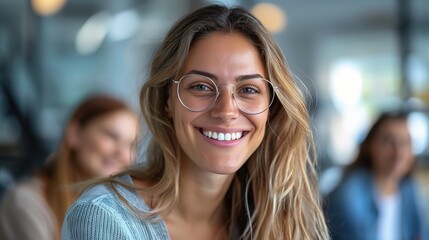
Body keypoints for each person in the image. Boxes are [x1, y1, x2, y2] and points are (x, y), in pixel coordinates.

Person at [62, 4, 330, 240]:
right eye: (201, 86)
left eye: (249, 89)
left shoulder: (281, 217)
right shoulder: (105, 219)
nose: (226, 110)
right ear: (167, 100)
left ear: (272, 107)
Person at [0, 95, 139, 240]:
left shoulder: (124, 210)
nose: (122, 153)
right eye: (111, 136)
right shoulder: (25, 203)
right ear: (74, 133)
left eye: (132, 145)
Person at [325, 111, 429, 240]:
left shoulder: (408, 188)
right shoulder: (348, 196)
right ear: (370, 146)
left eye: (405, 142)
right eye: (388, 141)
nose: (398, 152)